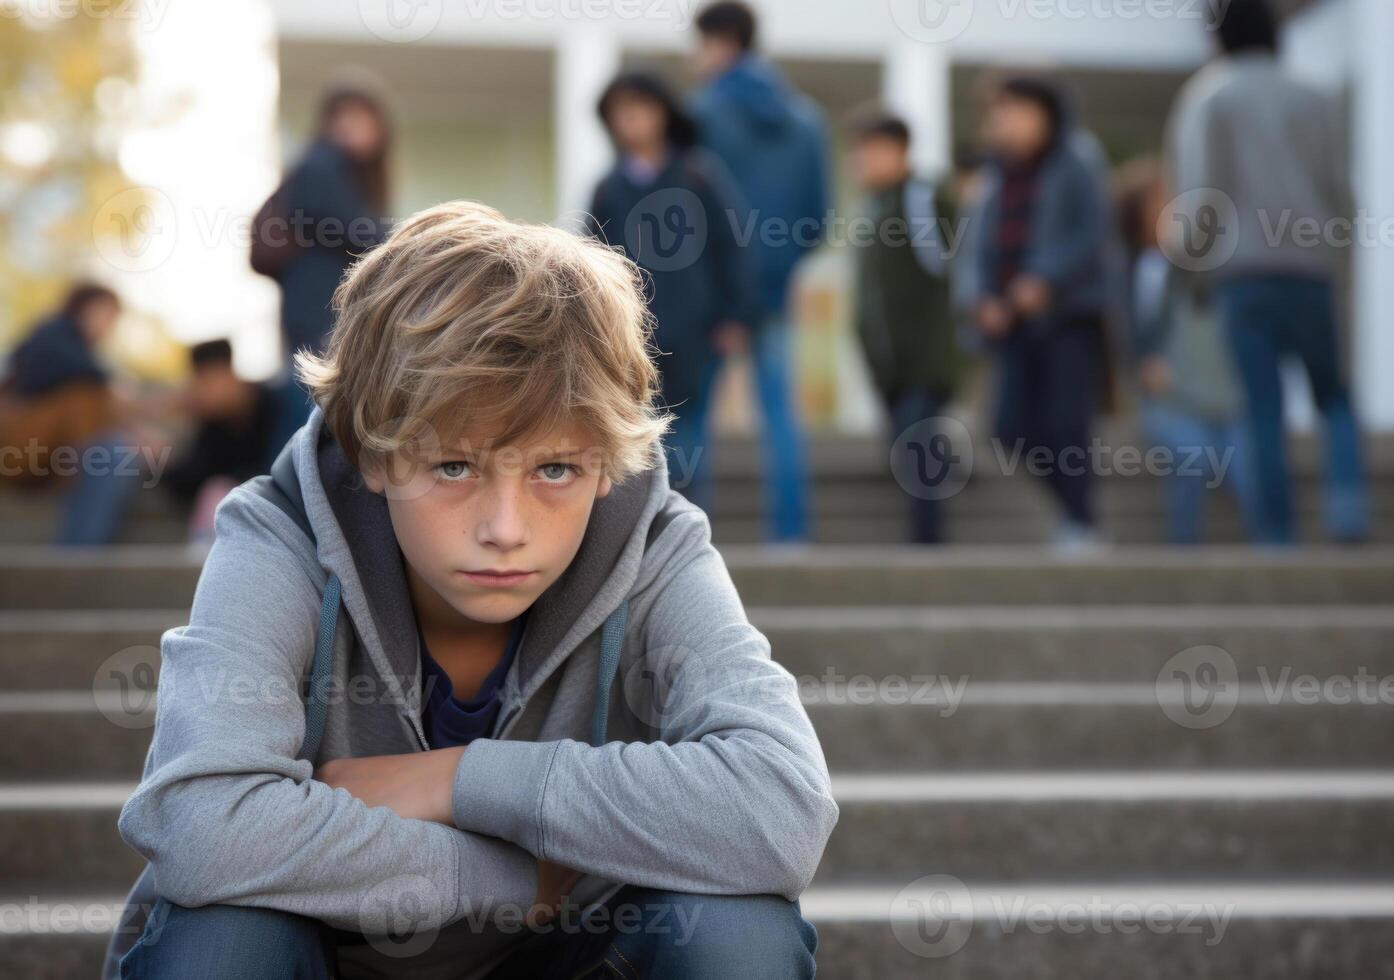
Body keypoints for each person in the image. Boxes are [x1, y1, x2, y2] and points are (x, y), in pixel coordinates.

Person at [116, 203, 835, 979]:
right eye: (454, 467)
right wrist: (510, 877)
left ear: (602, 465)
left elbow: (781, 808)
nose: (505, 528)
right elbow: (202, 825)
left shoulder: (655, 543)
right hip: (334, 952)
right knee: (224, 939)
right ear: (374, 453)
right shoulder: (280, 533)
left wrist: (459, 779)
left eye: (555, 469)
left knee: (737, 928)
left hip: (565, 956)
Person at [1165, 0, 1367, 544]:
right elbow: (1340, 192)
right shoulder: (1317, 97)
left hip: (1243, 273)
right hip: (1311, 269)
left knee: (1261, 408)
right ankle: (1348, 509)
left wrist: (1188, 271)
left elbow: (1204, 197)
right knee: (1336, 395)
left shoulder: (1210, 96)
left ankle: (1276, 535)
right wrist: (1340, 262)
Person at [688, 0, 829, 544]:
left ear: (721, 42)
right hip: (776, 290)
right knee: (780, 418)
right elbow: (817, 217)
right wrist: (779, 269)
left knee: (691, 419)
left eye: (699, 46)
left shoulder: (700, 115)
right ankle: (790, 540)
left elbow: (690, 212)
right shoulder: (807, 119)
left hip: (715, 296)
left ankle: (685, 548)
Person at [586, 70, 758, 511]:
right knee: (636, 445)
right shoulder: (608, 189)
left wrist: (735, 316)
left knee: (689, 444)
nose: (631, 120)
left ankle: (686, 539)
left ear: (663, 113)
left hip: (697, 335)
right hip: (630, 342)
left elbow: (732, 245)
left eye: (640, 108)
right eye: (620, 112)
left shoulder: (699, 175)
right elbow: (590, 263)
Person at [959, 77, 1113, 552]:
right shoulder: (994, 178)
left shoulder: (1078, 161)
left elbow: (1091, 236)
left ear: (1045, 112)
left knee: (1067, 423)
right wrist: (980, 298)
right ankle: (1074, 514)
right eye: (999, 112)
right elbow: (973, 252)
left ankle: (1080, 522)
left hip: (1069, 316)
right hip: (1013, 324)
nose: (1005, 121)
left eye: (1016, 110)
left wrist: (1044, 279)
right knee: (1007, 429)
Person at [1115, 159, 1257, 544]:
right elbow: (1126, 340)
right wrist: (1142, 366)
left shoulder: (1214, 264)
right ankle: (1185, 552)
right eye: (1162, 202)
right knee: (1193, 456)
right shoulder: (1132, 272)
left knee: (1250, 468)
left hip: (1226, 398)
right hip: (1169, 400)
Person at [256, 78, 393, 458]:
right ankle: (287, 504)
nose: (354, 127)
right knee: (309, 412)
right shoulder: (321, 167)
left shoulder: (339, 174)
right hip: (319, 315)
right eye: (346, 117)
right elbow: (358, 232)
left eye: (364, 118)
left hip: (317, 312)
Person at [848, 110, 962, 544]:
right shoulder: (874, 206)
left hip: (924, 359)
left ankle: (929, 546)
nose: (864, 162)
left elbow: (954, 266)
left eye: (874, 152)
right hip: (887, 363)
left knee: (919, 448)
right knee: (907, 448)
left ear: (900, 151)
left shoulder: (922, 198)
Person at [0, 282, 158, 545]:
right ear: (85, 308)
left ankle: (79, 557)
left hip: (57, 458)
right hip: (24, 453)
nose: (108, 326)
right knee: (115, 452)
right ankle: (77, 558)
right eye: (106, 315)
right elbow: (81, 376)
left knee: (116, 453)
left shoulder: (82, 362)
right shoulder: (54, 338)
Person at [158, 339, 277, 546]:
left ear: (227, 373)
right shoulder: (214, 424)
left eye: (207, 382)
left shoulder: (276, 407)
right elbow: (191, 479)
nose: (202, 392)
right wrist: (163, 458)